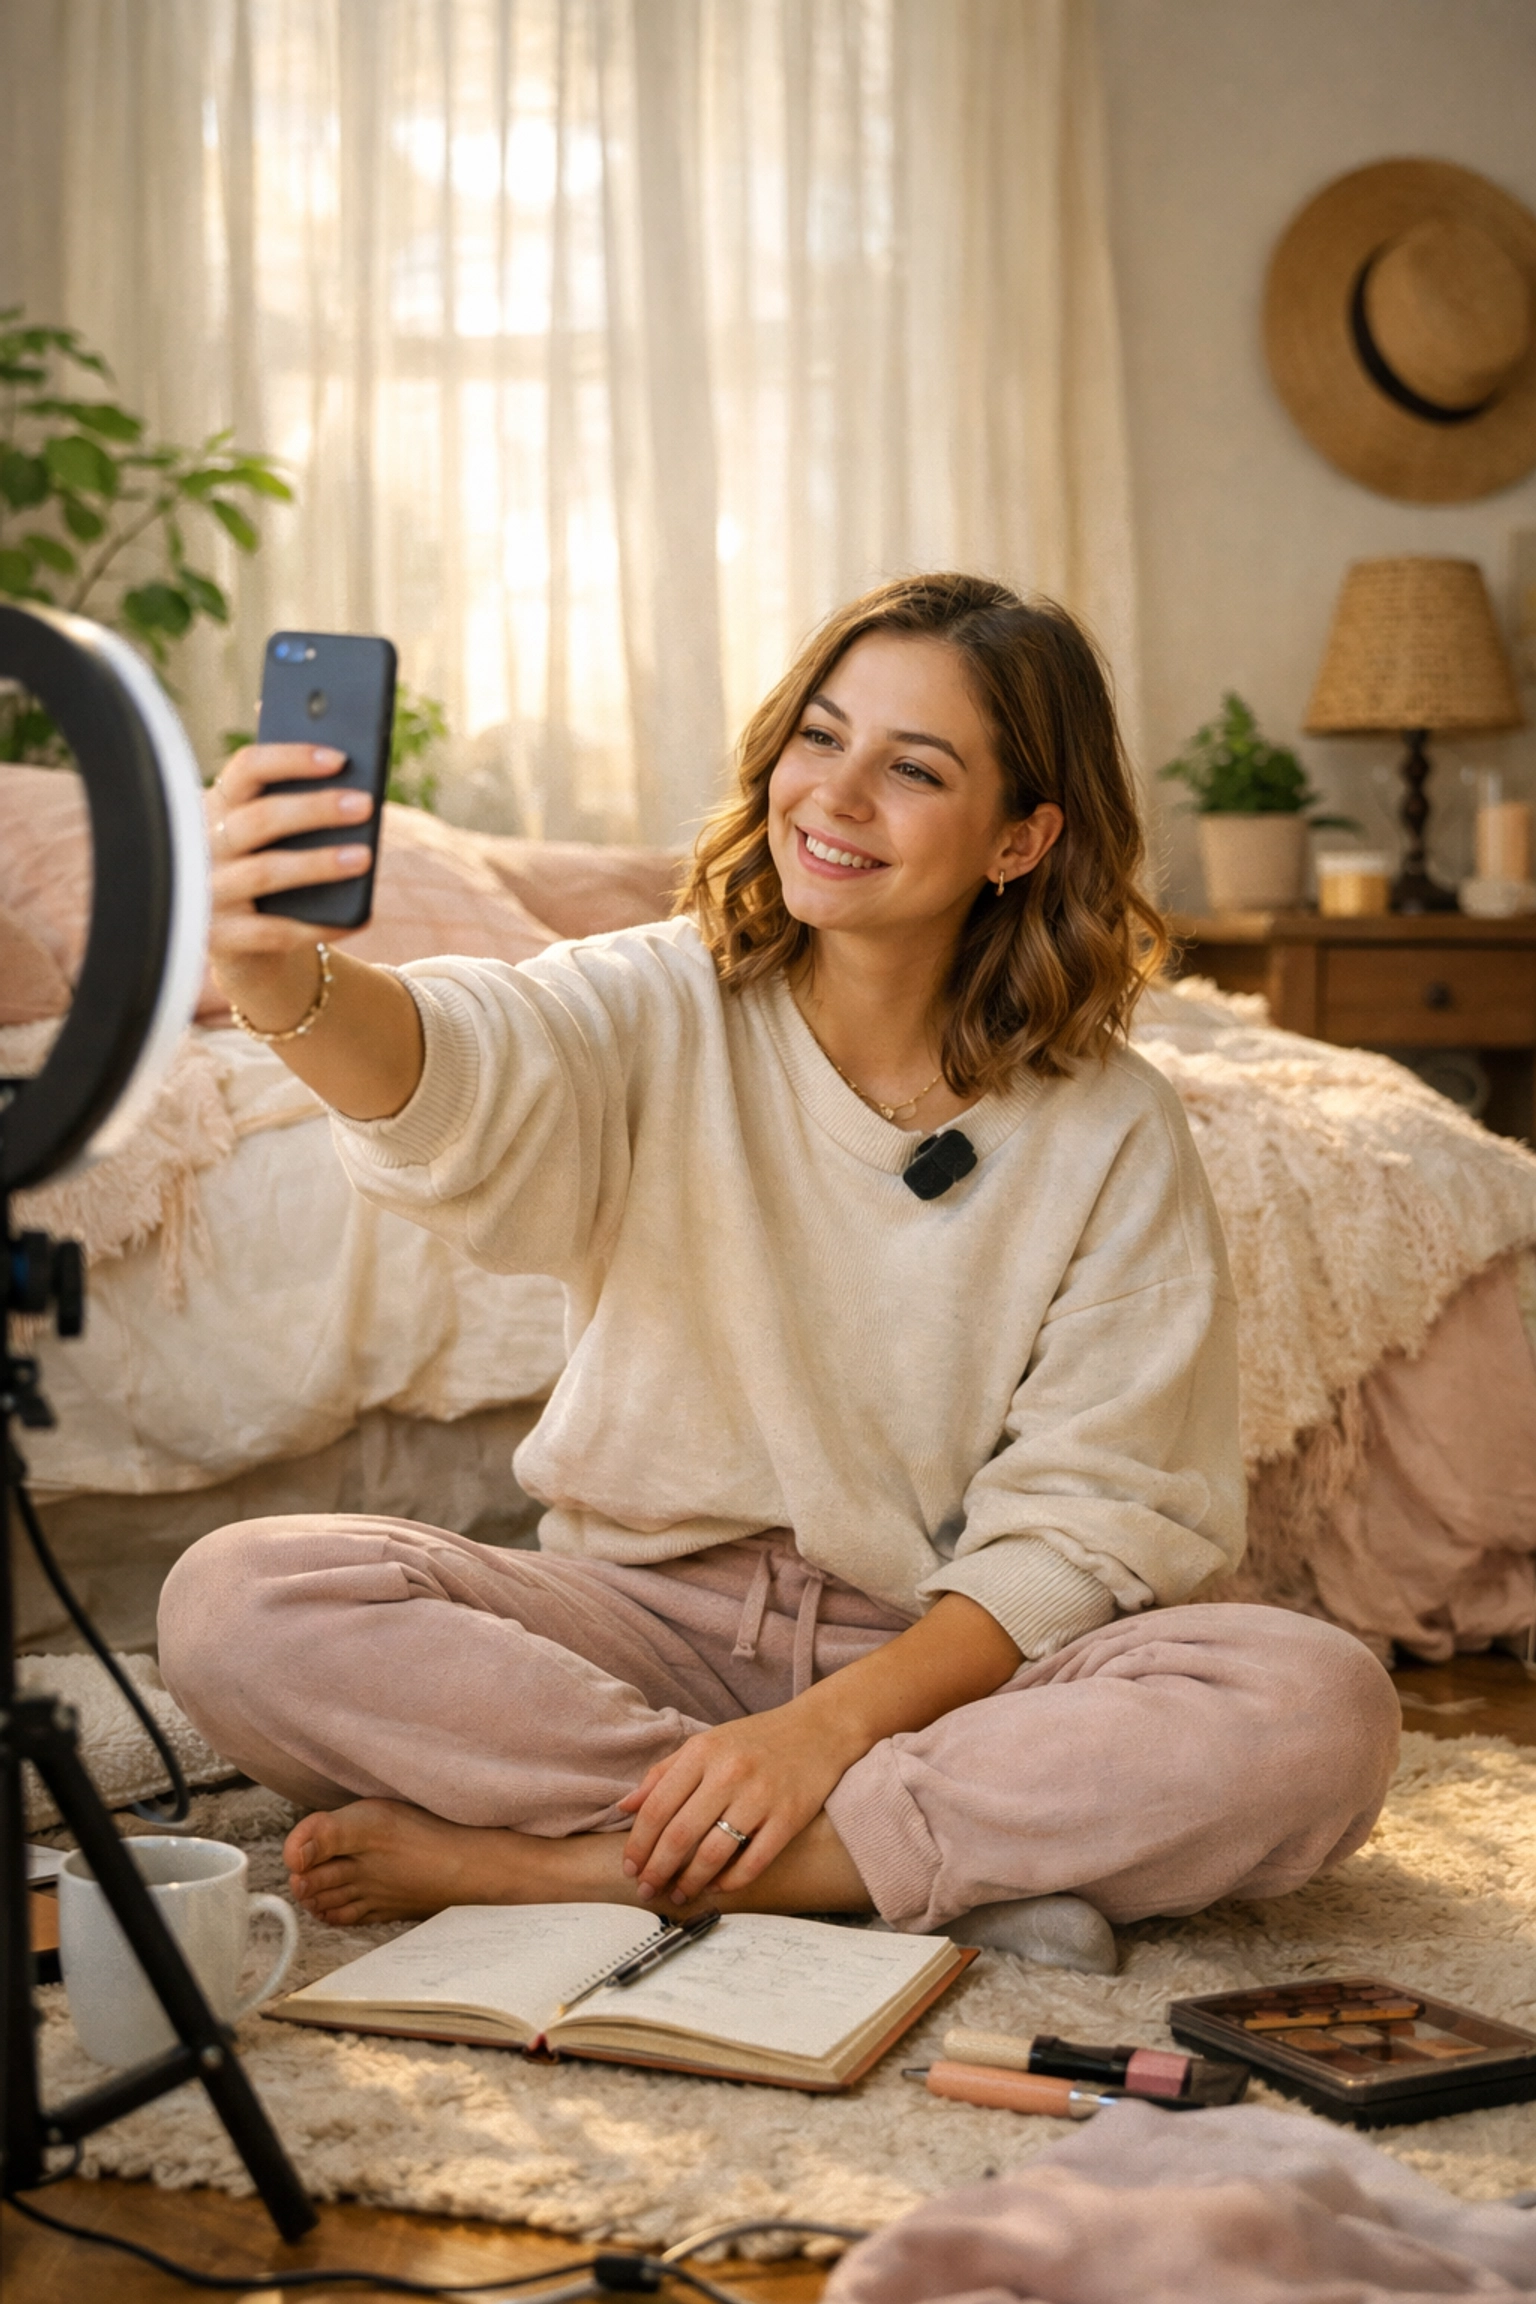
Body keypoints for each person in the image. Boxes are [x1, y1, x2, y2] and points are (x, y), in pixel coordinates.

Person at [159, 573, 1398, 1969]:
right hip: (635, 1624)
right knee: (237, 1602)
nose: (837, 796)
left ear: (1021, 838)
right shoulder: (656, 996)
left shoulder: (1114, 1128)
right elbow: (461, 1065)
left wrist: (819, 1734)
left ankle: (576, 1867)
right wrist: (280, 979)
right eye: (821, 736)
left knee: (1316, 1706)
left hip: (953, 1660)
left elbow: (1089, 1525)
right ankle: (904, 1860)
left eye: (914, 768)